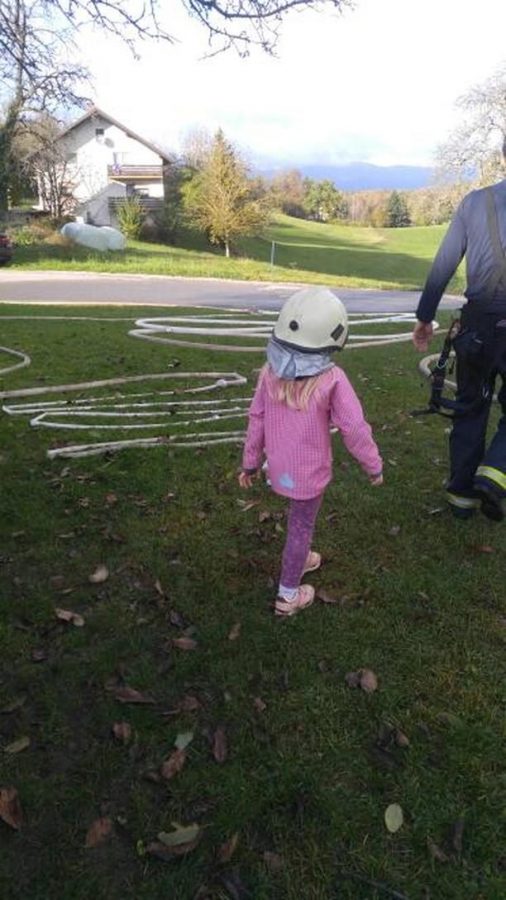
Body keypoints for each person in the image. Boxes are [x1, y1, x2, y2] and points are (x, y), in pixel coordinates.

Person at [238, 286, 383, 617]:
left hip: (279, 470)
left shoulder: (269, 372)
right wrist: (373, 465)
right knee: (301, 527)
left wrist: (250, 464)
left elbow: (256, 418)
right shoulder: (332, 379)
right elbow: (354, 427)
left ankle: (300, 559)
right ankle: (288, 595)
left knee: (298, 522)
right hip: (308, 474)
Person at [413, 142, 506, 522]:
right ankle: (494, 473)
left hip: (476, 327)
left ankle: (461, 497)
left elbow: (445, 262)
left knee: (470, 406)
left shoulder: (474, 203)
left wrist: (425, 316)